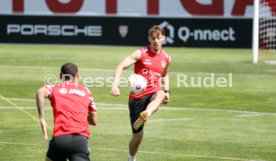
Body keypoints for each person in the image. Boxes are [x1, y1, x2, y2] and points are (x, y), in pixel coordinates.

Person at [111, 25, 171, 161]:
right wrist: (115, 85)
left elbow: (165, 74)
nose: (156, 41)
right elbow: (120, 66)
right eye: (153, 38)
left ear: (163, 39)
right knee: (138, 136)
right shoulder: (141, 53)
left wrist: (167, 90)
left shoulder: (166, 58)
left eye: (158, 38)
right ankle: (131, 159)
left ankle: (146, 114)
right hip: (136, 98)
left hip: (153, 94)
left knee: (160, 94)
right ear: (149, 39)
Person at [36, 63, 98, 161]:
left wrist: (42, 118)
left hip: (60, 140)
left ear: (61, 76)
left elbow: (40, 92)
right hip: (80, 141)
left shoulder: (54, 88)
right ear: (77, 75)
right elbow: (94, 121)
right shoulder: (86, 90)